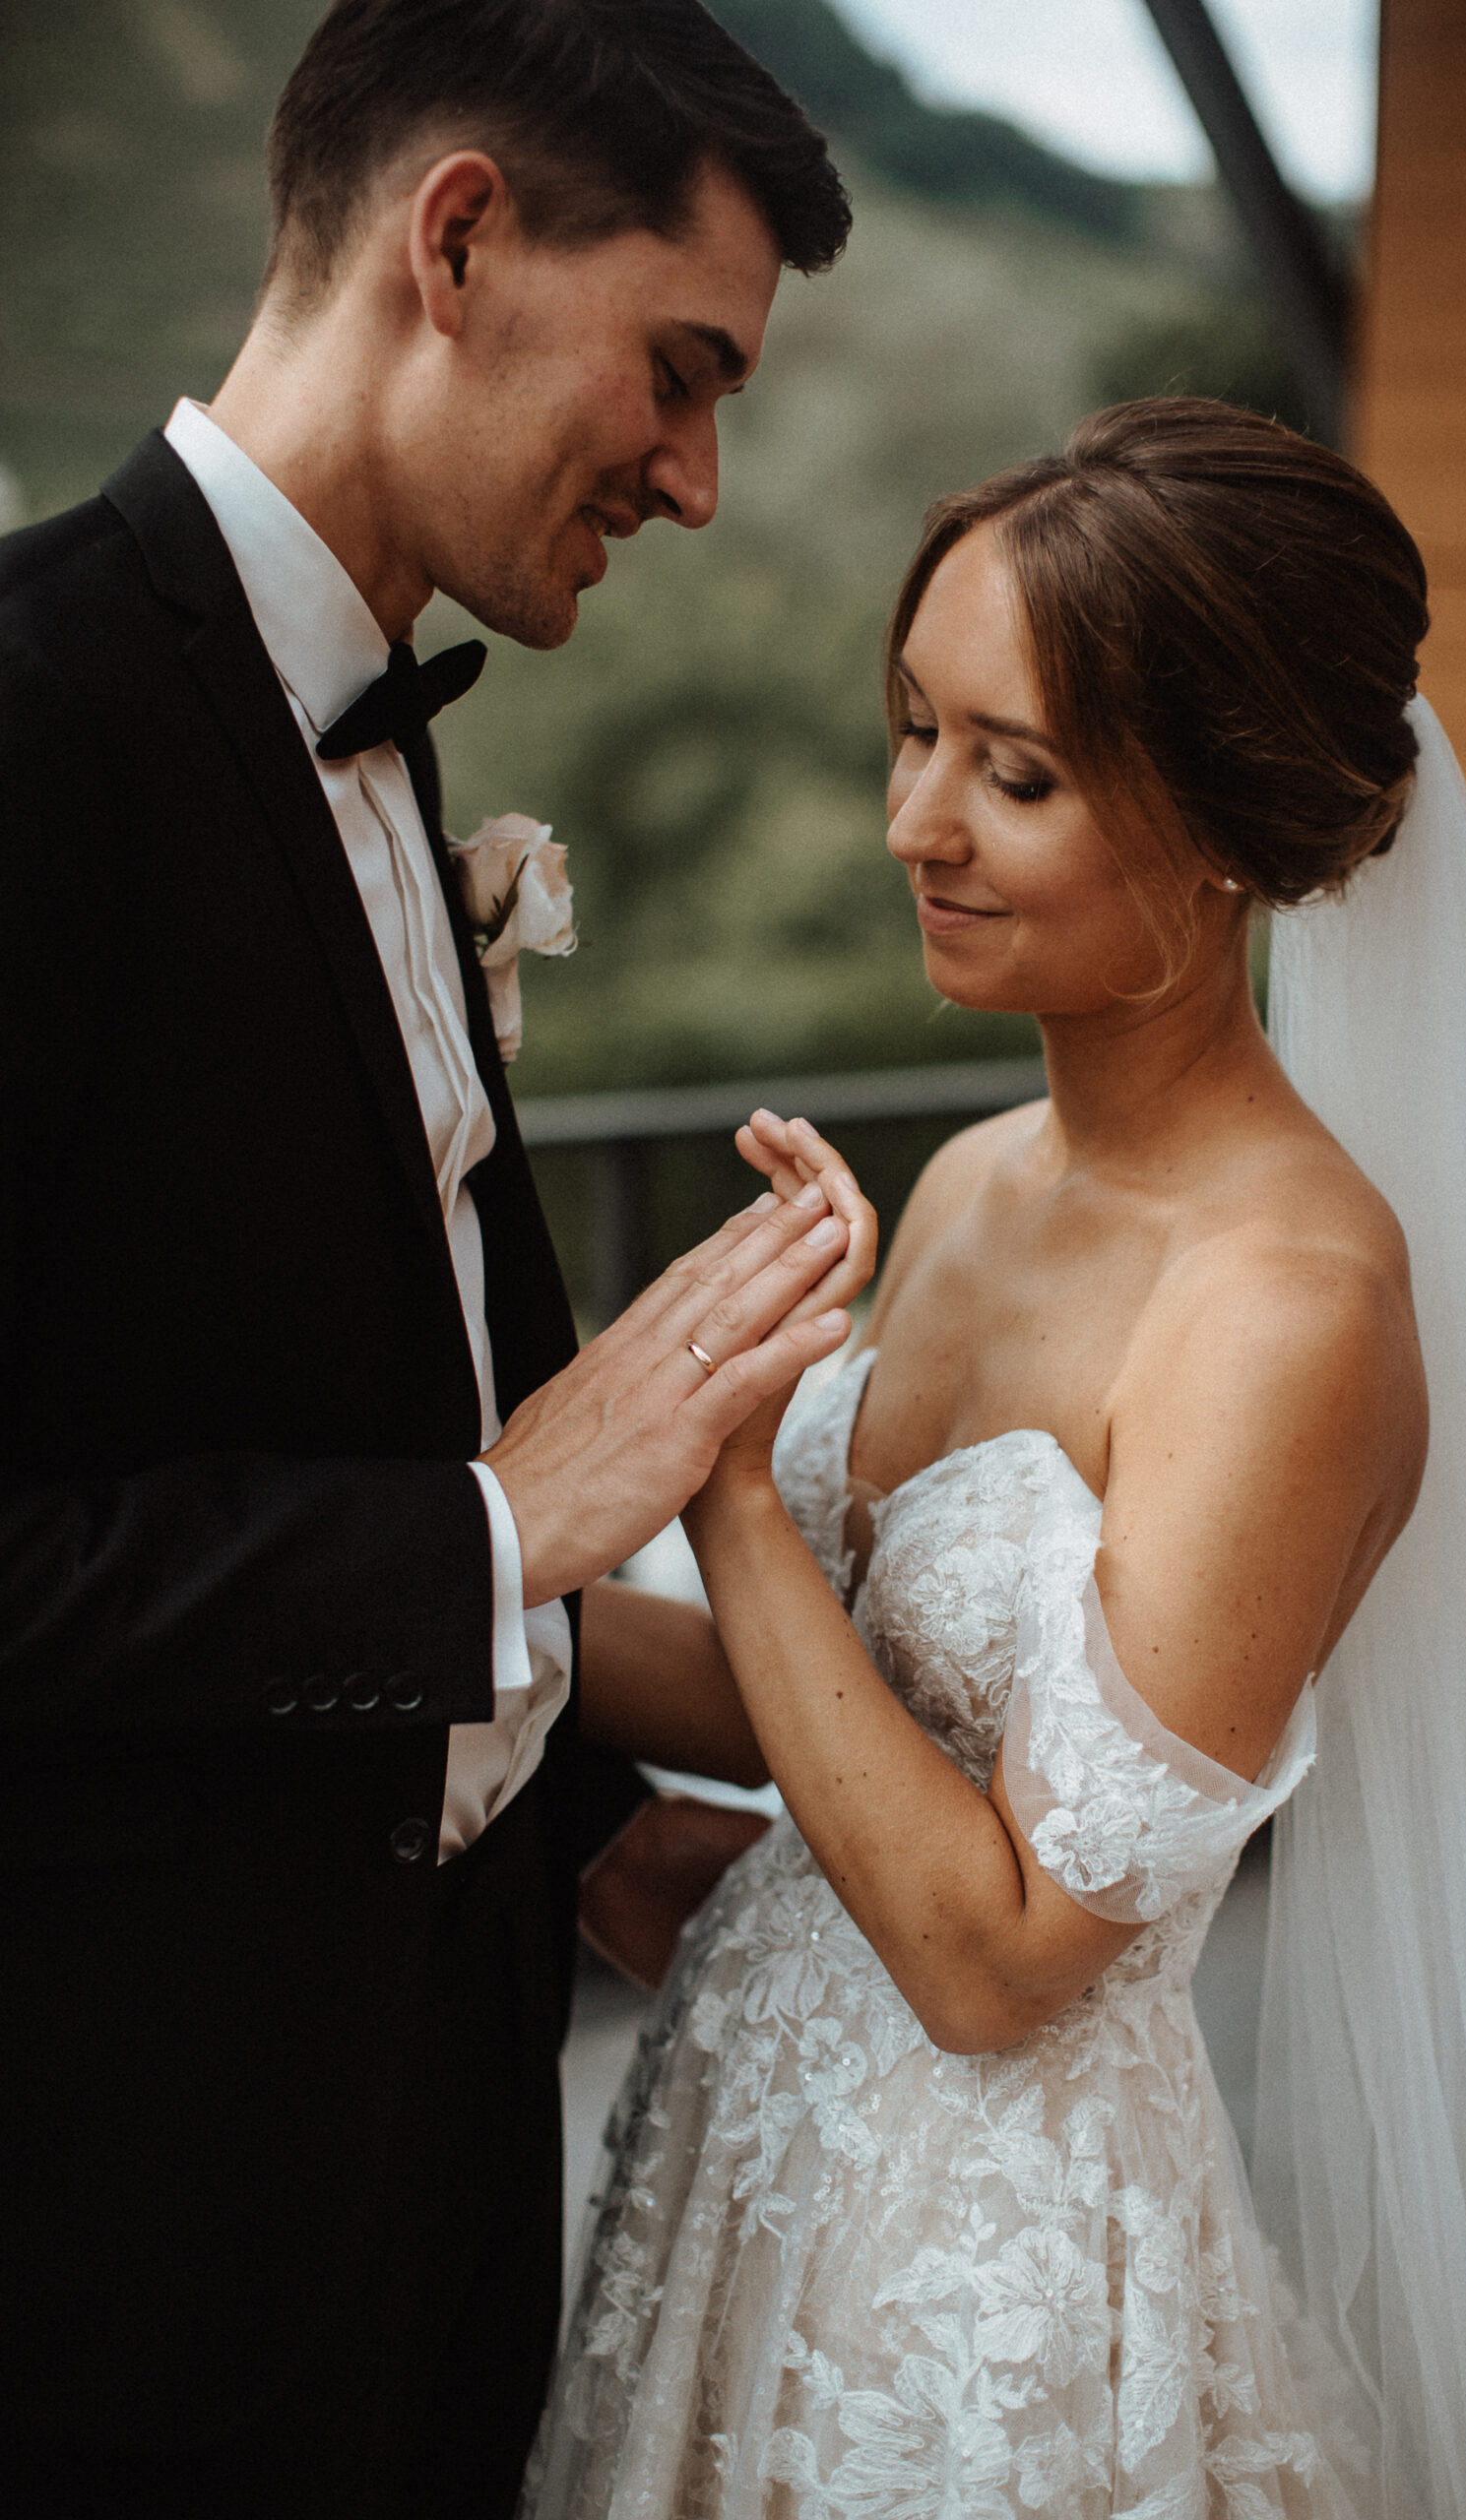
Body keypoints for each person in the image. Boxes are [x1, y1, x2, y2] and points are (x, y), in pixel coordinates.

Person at [539, 401, 1466, 2518]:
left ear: (1225, 818)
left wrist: (711, 1469)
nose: (912, 822)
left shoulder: (1288, 1305)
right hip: (740, 2149)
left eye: (1015, 770)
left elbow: (997, 1952)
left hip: (977, 2274)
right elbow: (851, 1705)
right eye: (911, 732)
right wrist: (480, 1558)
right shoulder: (973, 1175)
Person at [0, 5, 872, 2515]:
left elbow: (305, 1371)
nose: (700, 481)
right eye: (680, 372)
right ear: (460, 238)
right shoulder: (35, 726)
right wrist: (503, 1521)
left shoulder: (381, 744)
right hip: (113, 2260)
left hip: (437, 2165)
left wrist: (595, 1815)